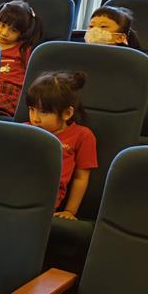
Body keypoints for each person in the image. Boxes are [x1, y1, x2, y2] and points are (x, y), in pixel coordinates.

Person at [26, 71, 98, 219]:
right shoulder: (24, 129)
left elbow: (80, 178)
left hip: (44, 196)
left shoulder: (82, 136)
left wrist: (70, 211)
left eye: (43, 112)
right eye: (32, 110)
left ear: (66, 113)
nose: (35, 119)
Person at [0, 0, 43, 118]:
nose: (4, 33)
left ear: (22, 33)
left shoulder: (25, 50)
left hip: (11, 94)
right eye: (2, 25)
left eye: (13, 30)